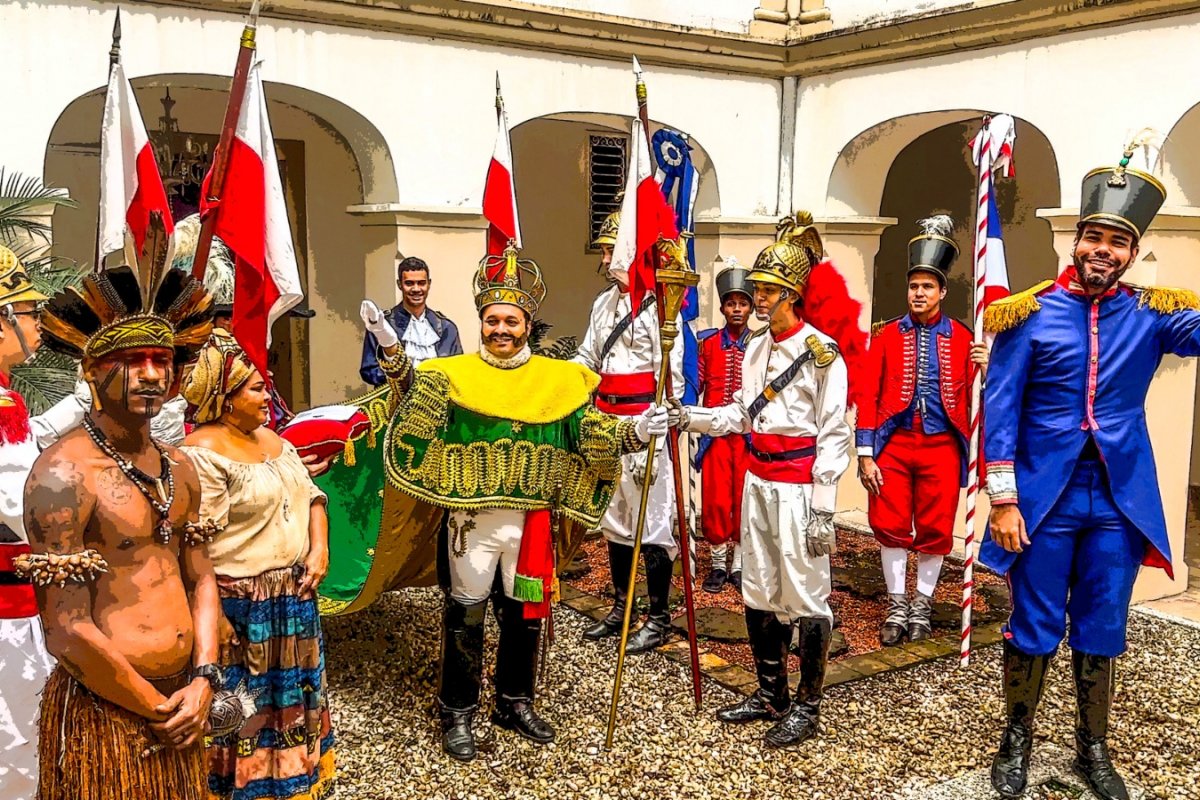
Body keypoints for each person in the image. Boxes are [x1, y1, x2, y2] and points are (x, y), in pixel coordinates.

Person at [359, 242, 668, 762]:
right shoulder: (453, 374)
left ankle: (513, 702)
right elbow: (414, 397)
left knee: (524, 615)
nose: (500, 330)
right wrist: (390, 348)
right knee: (465, 616)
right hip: (471, 520)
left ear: (527, 324)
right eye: (492, 321)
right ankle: (458, 712)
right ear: (480, 323)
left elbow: (587, 431)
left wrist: (635, 431)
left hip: (530, 523)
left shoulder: (559, 379)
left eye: (510, 321)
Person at [982, 149, 1197, 800]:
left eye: (1117, 242)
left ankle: (1092, 748)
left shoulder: (1155, 313)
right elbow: (1000, 410)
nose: (1103, 250)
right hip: (1041, 500)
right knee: (1034, 623)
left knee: (1103, 625)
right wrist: (1003, 500)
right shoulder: (1027, 314)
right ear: (1076, 242)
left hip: (1118, 501)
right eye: (1094, 237)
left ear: (1132, 254)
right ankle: (1016, 739)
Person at [20, 223, 220, 800]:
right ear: (90, 369)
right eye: (132, 360)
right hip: (112, 709)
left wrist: (204, 680)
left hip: (186, 697)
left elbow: (201, 577)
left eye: (162, 359)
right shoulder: (63, 476)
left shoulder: (180, 467)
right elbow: (66, 629)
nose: (152, 375)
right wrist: (157, 708)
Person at [671, 212, 864, 749]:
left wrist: (824, 505)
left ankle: (808, 705)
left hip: (800, 486)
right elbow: (741, 412)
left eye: (768, 289)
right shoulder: (756, 346)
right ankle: (770, 692)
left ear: (792, 294)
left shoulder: (822, 353)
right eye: (757, 287)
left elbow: (834, 431)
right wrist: (690, 417)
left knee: (805, 593)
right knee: (758, 588)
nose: (758, 296)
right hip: (756, 480)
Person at [180, 330, 335, 800]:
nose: (268, 396)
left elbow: (311, 496)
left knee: (293, 695)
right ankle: (241, 789)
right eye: (255, 389)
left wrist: (319, 549)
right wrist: (214, 616)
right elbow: (194, 545)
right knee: (242, 705)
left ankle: (293, 781)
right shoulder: (202, 456)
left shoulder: (271, 439)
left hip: (293, 595)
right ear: (224, 400)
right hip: (243, 604)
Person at [856, 216, 989, 645]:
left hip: (942, 446)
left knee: (935, 527)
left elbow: (980, 399)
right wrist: (865, 453)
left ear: (942, 292)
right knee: (889, 522)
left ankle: (922, 605)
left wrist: (988, 367)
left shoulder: (964, 338)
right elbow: (868, 394)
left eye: (927, 286)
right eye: (914, 286)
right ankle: (897, 605)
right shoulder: (885, 336)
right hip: (893, 444)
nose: (918, 293)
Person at [0, 246, 94, 799]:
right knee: (17, 747)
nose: (36, 322)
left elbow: (26, 441)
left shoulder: (7, 403)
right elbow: (20, 502)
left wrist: (81, 402)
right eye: (28, 311)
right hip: (7, 613)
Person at [574, 209, 684, 653]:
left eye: (610, 250)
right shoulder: (603, 303)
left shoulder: (661, 307)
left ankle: (658, 618)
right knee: (616, 520)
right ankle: (622, 607)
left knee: (652, 525)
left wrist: (658, 419)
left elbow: (672, 375)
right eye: (604, 251)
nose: (604, 259)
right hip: (608, 424)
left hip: (645, 425)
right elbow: (588, 356)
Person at [695, 259, 752, 594]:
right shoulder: (707, 343)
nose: (737, 309)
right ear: (722, 308)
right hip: (715, 435)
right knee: (716, 500)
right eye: (731, 303)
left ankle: (740, 564)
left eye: (742, 303)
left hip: (748, 437)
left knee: (744, 498)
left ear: (750, 308)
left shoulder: (761, 343)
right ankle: (718, 564)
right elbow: (697, 383)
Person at [359, 255, 462, 384]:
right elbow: (369, 370)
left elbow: (458, 371)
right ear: (399, 284)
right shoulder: (382, 324)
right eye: (409, 283)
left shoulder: (447, 328)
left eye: (421, 283)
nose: (416, 289)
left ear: (429, 284)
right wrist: (401, 379)